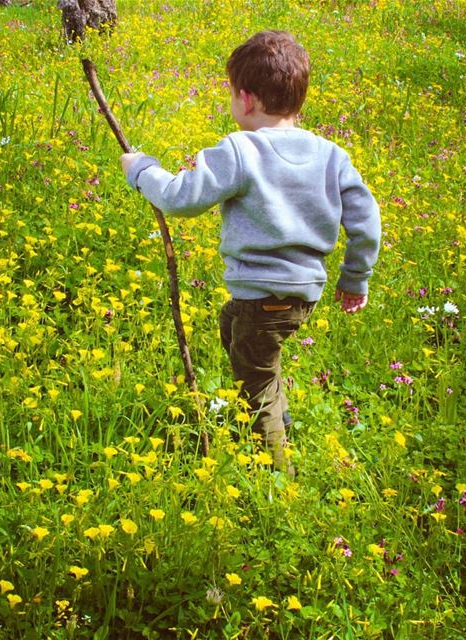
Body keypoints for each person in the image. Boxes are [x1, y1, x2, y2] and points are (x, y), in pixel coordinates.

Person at [120, 30, 380, 475]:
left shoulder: (240, 150)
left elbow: (182, 198)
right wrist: (354, 279)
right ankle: (275, 415)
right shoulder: (332, 154)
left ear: (245, 98)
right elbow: (366, 221)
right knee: (236, 331)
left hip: (263, 297)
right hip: (301, 297)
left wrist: (142, 170)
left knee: (254, 379)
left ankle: (277, 477)